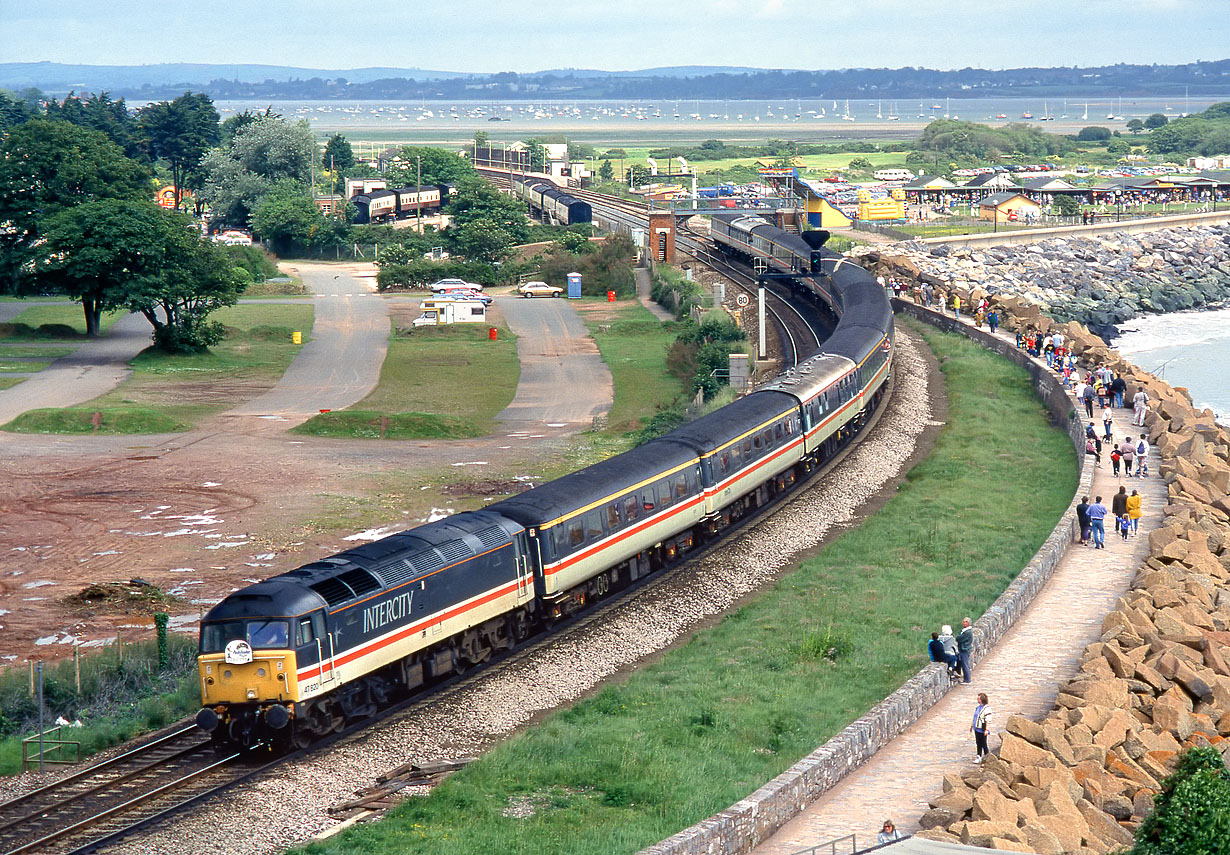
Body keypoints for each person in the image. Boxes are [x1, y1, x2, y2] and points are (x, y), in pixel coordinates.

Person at [971, 693, 992, 762]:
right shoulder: (978, 707)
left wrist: (986, 729)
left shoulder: (987, 709)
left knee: (984, 743)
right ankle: (979, 756)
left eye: (978, 699)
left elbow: (988, 719)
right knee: (978, 743)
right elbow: (975, 717)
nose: (977, 700)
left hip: (982, 729)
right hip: (977, 728)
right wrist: (972, 726)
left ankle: (988, 757)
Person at [956, 617, 974, 683]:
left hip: (964, 649)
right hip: (964, 649)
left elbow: (959, 638)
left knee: (965, 664)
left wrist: (958, 637)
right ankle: (966, 678)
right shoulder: (965, 631)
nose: (963, 623)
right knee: (965, 664)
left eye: (964, 622)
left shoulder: (967, 632)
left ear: (968, 623)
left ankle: (967, 680)